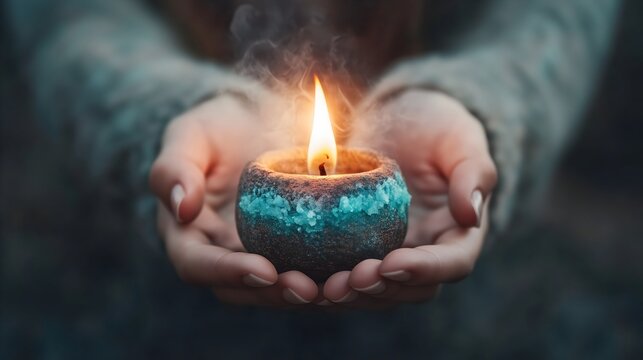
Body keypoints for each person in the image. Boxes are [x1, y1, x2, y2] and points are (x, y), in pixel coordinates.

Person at [6, 0, 620, 311]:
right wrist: (156, 113)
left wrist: (489, 99)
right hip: (103, 291)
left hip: (503, 310)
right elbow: (70, 14)